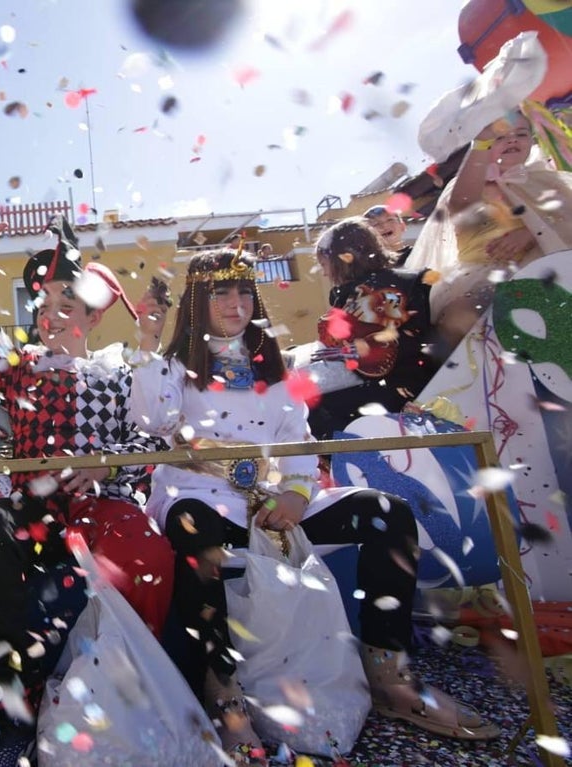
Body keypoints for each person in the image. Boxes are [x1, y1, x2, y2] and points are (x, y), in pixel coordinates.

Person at [130, 249, 499, 762]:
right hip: (202, 498)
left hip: (274, 500)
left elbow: (298, 441)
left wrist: (298, 494)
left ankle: (389, 674)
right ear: (197, 302)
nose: (235, 303)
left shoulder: (272, 366)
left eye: (242, 292)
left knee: (386, 513)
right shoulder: (173, 366)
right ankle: (223, 697)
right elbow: (152, 421)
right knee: (198, 535)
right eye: (220, 294)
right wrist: (148, 342)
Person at [0, 189, 175, 715]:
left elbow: (154, 440)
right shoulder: (24, 366)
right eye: (42, 307)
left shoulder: (119, 373)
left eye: (64, 306)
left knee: (152, 557)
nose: (49, 316)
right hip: (34, 508)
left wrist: (106, 462)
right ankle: (5, 695)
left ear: (91, 319)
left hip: (106, 506)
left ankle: (139, 687)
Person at [406, 110, 572, 348]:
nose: (512, 140)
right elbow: (462, 205)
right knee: (461, 317)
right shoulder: (469, 186)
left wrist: (532, 233)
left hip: (551, 272)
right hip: (487, 280)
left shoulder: (549, 181)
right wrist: (481, 140)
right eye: (501, 137)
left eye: (521, 134)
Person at [304, 218, 439, 439]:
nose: (324, 273)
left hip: (398, 388)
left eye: (324, 265)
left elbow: (363, 359)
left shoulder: (378, 289)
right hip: (394, 382)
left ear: (342, 260)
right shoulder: (376, 284)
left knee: (307, 408)